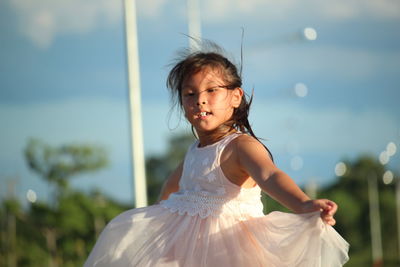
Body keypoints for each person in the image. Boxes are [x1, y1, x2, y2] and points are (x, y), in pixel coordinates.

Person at [84, 45, 349, 267]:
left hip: (232, 253)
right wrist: (156, 225)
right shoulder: (194, 151)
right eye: (190, 94)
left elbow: (270, 175)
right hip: (188, 255)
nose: (200, 100)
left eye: (212, 90)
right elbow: (172, 188)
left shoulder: (240, 147)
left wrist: (303, 204)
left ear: (235, 97)